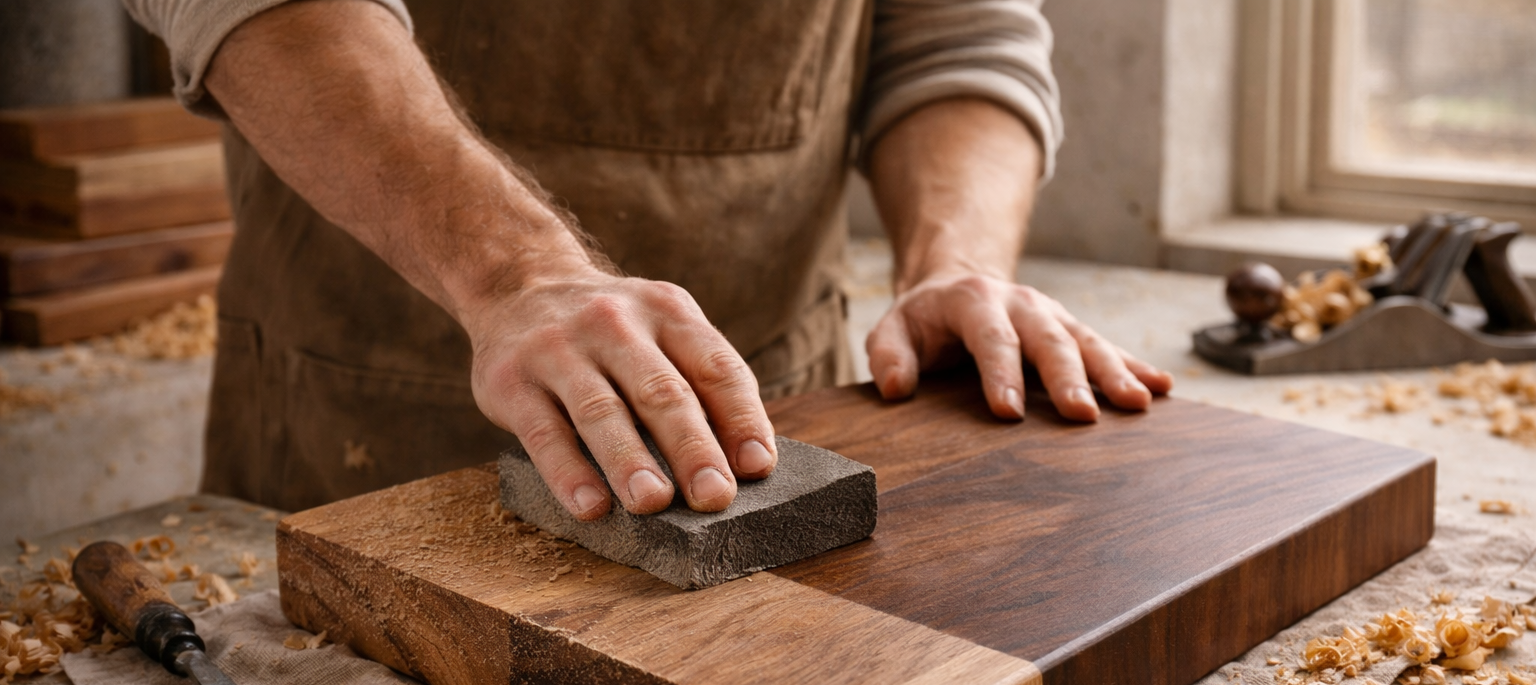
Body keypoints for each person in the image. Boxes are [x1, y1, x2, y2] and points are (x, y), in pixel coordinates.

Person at [125, 0, 1173, 516]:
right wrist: (510, 274)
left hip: (773, 410)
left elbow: (958, 32)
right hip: (360, 418)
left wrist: (952, 262)